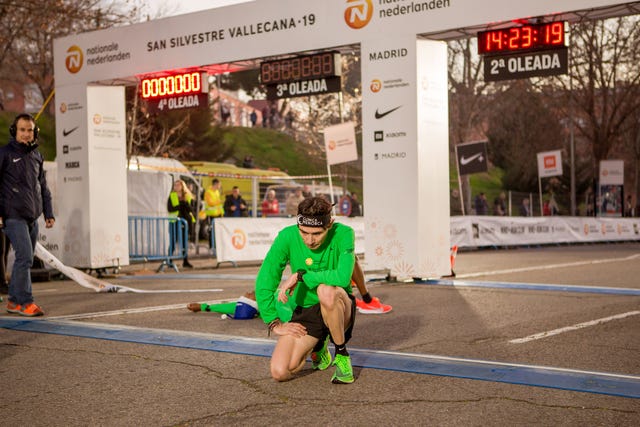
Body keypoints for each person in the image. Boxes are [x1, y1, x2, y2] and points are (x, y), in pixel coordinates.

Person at [255, 196, 356, 384]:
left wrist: (302, 276)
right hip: (308, 309)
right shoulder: (287, 236)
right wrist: (273, 322)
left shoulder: (344, 233)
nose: (309, 240)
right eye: (304, 232)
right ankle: (320, 345)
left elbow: (342, 277)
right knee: (280, 371)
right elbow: (266, 279)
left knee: (325, 290)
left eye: (317, 234)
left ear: (330, 224)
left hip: (338, 304)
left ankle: (341, 355)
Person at [0, 113, 55, 316]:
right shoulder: (4, 154)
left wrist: (48, 213)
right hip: (12, 215)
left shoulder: (37, 156)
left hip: (32, 217)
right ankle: (26, 302)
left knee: (25, 259)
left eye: (29, 130)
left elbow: (43, 187)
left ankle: (13, 301)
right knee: (24, 258)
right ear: (15, 131)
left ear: (34, 132)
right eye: (22, 130)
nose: (26, 134)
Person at [167, 179, 195, 268]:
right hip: (174, 221)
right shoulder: (172, 195)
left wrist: (185, 204)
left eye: (178, 185)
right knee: (173, 241)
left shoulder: (188, 196)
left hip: (185, 222)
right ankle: (169, 260)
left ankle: (185, 261)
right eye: (175, 185)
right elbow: (170, 209)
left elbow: (191, 209)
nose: (176, 186)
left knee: (184, 242)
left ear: (182, 186)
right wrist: (180, 205)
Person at [202, 179, 223, 251]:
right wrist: (218, 202)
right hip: (211, 215)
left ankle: (216, 246)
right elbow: (210, 203)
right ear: (216, 184)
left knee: (217, 231)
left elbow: (218, 204)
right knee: (211, 231)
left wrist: (221, 212)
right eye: (219, 184)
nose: (220, 186)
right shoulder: (208, 192)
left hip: (218, 214)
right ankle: (211, 247)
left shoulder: (217, 192)